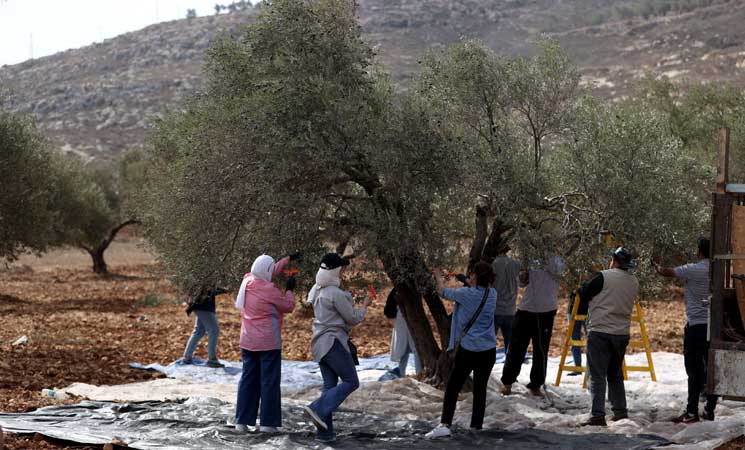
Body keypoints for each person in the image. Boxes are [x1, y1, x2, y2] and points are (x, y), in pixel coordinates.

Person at [303, 253, 372, 443]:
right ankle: (316, 407)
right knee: (351, 381)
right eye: (342, 268)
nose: (343, 271)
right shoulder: (334, 293)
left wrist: (348, 298)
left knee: (329, 387)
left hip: (318, 343)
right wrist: (364, 305)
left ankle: (325, 434)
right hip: (333, 342)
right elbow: (352, 319)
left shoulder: (316, 289)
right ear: (335, 270)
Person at [426, 262, 497, 439]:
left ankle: (444, 424)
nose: (469, 277)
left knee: (452, 387)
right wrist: (463, 279)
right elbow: (475, 289)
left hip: (469, 349)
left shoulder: (466, 294)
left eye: (472, 275)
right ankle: (476, 427)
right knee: (480, 389)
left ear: (476, 278)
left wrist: (438, 275)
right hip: (489, 350)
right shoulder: (493, 294)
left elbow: (443, 292)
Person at [653, 237, 717, 423]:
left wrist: (654, 264)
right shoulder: (719, 270)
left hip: (696, 326)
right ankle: (709, 409)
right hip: (713, 327)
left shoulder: (693, 269)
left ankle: (691, 412)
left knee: (694, 370)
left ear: (700, 251)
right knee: (712, 369)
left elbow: (666, 272)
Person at [234, 253, 299, 433]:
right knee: (269, 382)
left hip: (247, 341)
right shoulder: (270, 290)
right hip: (268, 343)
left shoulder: (247, 281)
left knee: (248, 380)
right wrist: (290, 290)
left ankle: (241, 421)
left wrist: (286, 260)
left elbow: (266, 270)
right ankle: (268, 424)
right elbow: (288, 306)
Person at [579, 247, 639, 426]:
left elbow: (585, 292)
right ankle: (620, 411)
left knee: (597, 375)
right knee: (615, 374)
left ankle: (597, 415)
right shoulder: (634, 281)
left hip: (600, 331)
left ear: (613, 260)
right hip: (621, 333)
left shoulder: (604, 276)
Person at [501, 254, 566, 397]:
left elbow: (557, 271)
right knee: (516, 347)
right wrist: (524, 274)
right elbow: (521, 283)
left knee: (541, 350)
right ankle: (507, 382)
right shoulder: (531, 259)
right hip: (527, 309)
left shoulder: (557, 261)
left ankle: (536, 384)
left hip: (546, 311)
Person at [182, 285, 228, 368]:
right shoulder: (206, 276)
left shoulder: (203, 276)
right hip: (204, 306)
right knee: (214, 331)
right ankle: (212, 360)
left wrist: (222, 290)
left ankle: (187, 357)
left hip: (200, 305)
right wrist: (223, 289)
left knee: (199, 331)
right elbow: (207, 289)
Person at [381, 287, 422, 379]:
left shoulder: (399, 288)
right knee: (414, 347)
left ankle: (403, 371)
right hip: (404, 316)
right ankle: (418, 373)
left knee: (405, 347)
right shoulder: (404, 288)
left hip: (401, 316)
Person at [491, 247, 521, 352]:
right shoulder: (516, 264)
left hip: (495, 309)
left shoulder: (493, 264)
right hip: (510, 310)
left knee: (489, 344)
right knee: (510, 346)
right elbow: (522, 283)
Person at [567, 291, 587, 376]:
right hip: (573, 309)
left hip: (588, 309)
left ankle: (593, 368)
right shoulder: (572, 279)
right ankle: (577, 367)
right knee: (574, 341)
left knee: (593, 341)